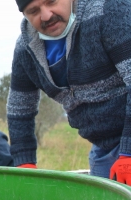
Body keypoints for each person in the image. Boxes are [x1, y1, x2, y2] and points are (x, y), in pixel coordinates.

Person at [7, 0, 131, 183]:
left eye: (51, 2)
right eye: (34, 11)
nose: (46, 15)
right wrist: (24, 162)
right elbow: (19, 108)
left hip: (126, 140)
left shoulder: (109, 11)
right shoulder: (26, 48)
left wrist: (128, 152)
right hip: (103, 145)